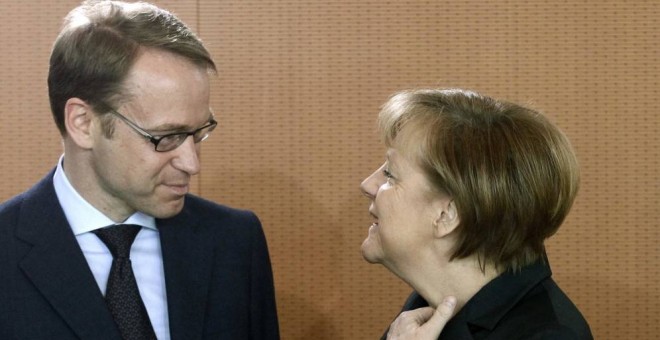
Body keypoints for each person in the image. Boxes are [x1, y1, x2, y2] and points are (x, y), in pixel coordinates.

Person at [0, 1, 279, 339]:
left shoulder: (234, 242)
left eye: (198, 133)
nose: (191, 164)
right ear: (83, 123)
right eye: (165, 137)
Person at [360, 88, 593, 339]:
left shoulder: (548, 336)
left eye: (390, 175)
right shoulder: (427, 303)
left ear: (446, 214)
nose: (367, 185)